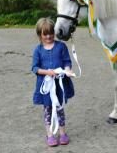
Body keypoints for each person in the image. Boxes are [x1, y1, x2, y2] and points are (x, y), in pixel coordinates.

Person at [31, 18, 74, 147]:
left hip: (59, 86)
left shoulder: (61, 46)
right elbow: (34, 68)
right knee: (48, 110)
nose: (49, 36)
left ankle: (62, 133)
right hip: (46, 87)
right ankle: (49, 134)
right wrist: (47, 72)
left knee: (60, 109)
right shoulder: (37, 50)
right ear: (40, 35)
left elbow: (67, 61)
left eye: (51, 33)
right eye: (45, 34)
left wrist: (67, 70)